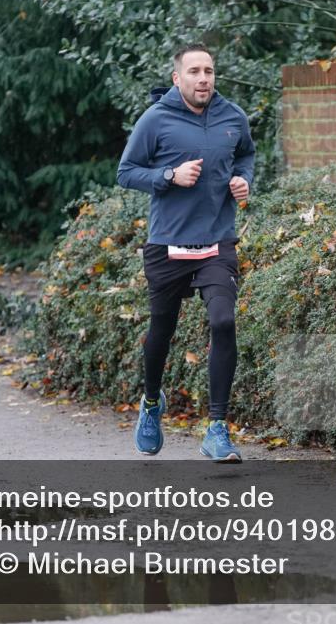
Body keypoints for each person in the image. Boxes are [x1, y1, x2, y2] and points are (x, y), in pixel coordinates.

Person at [116, 43, 255, 463]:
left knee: (224, 320)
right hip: (167, 244)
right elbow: (125, 172)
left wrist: (243, 180)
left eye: (209, 71)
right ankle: (152, 403)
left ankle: (216, 429)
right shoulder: (156, 119)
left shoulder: (233, 116)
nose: (203, 79)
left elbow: (246, 155)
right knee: (162, 328)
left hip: (216, 241)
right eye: (194, 71)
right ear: (178, 78)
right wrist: (167, 175)